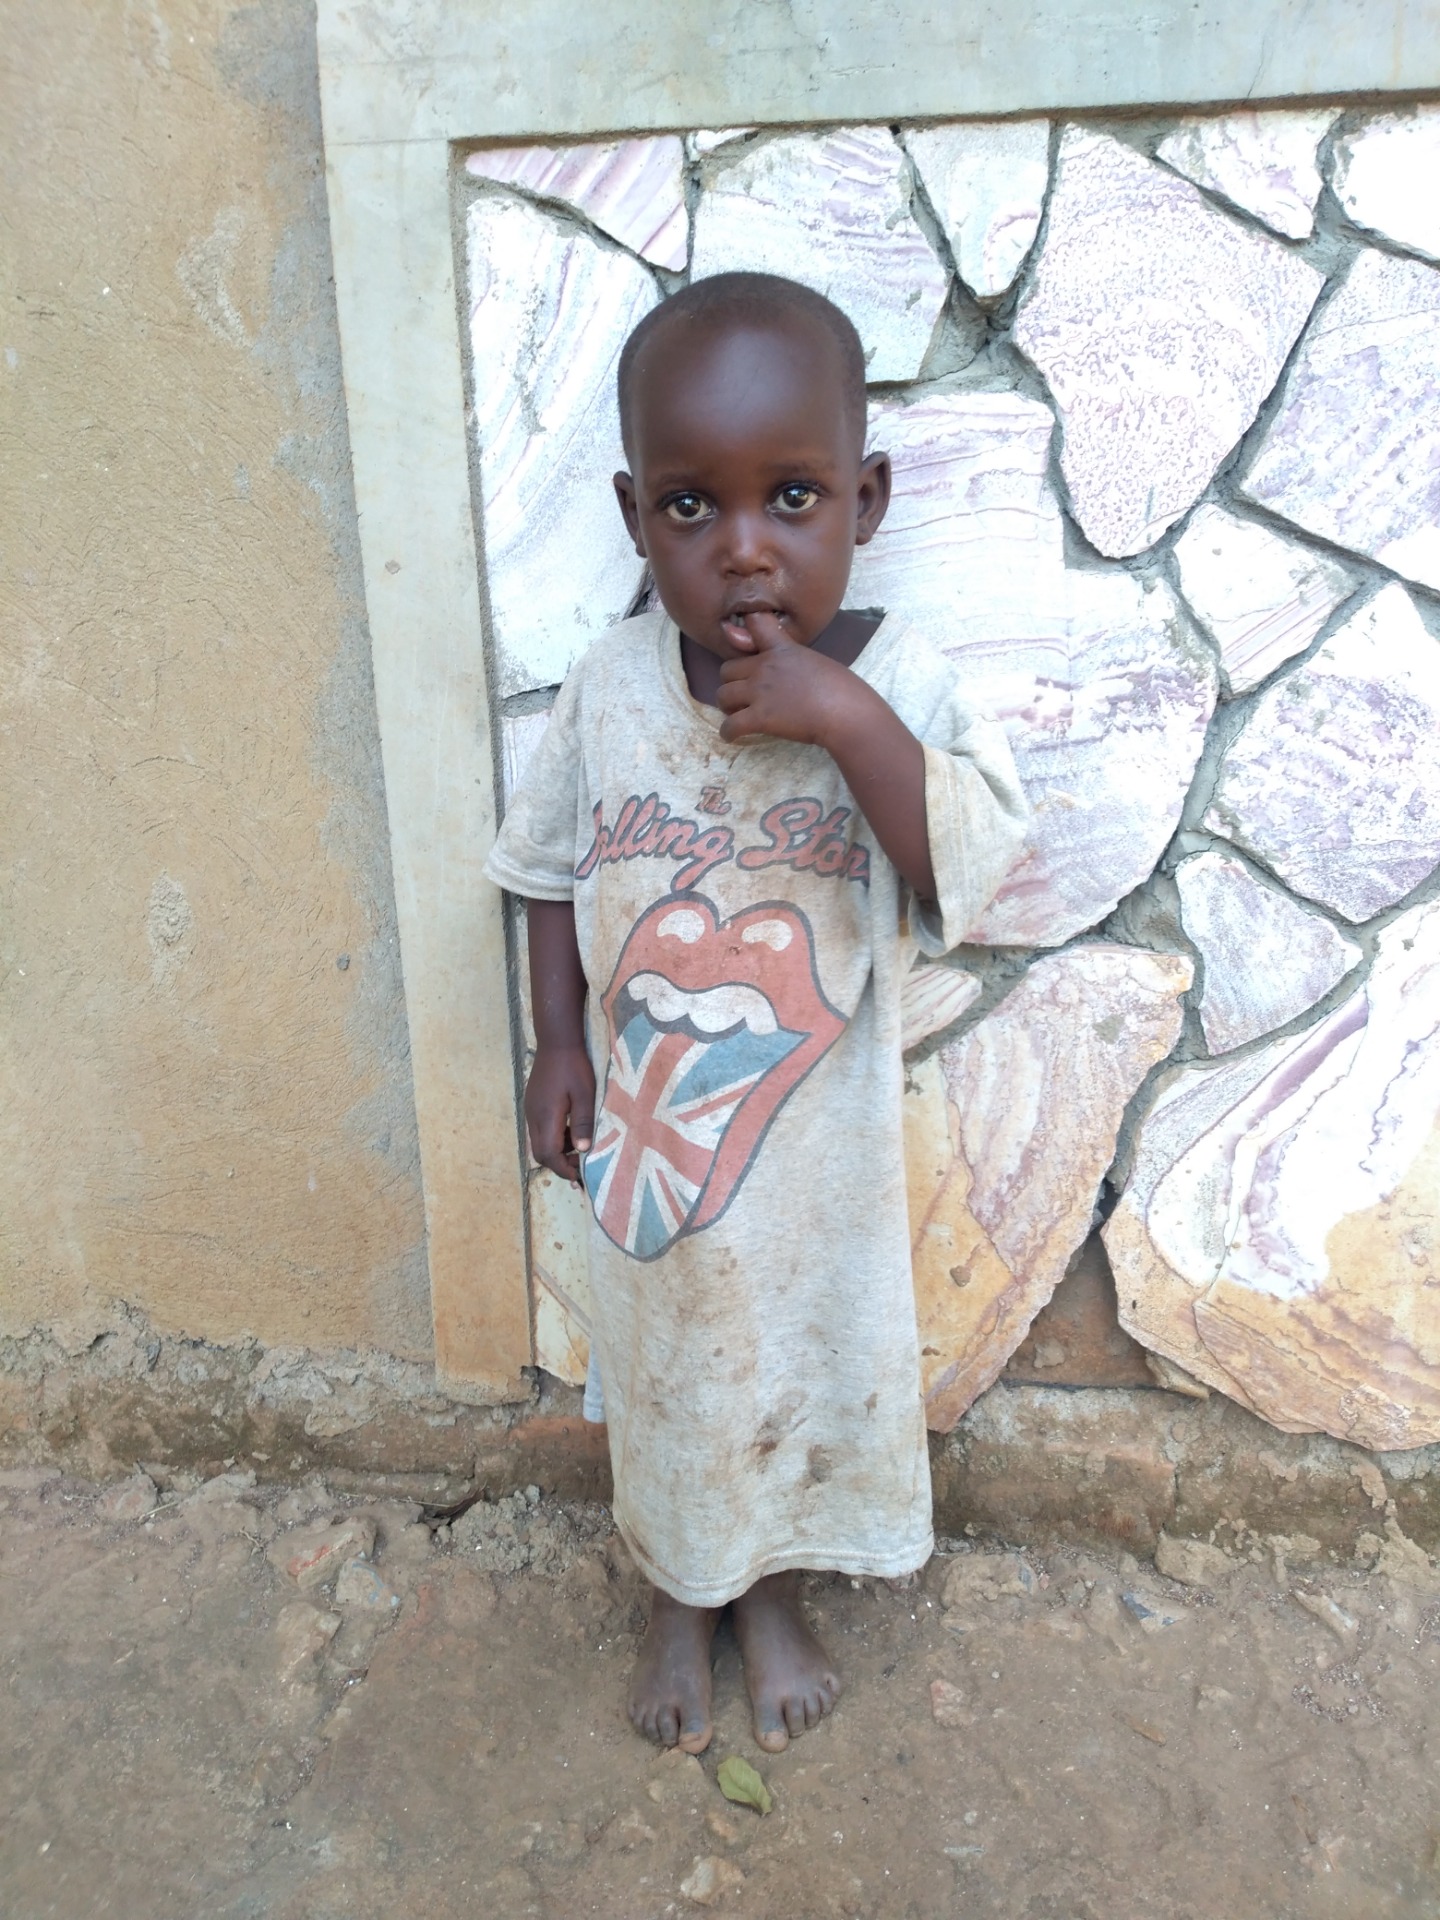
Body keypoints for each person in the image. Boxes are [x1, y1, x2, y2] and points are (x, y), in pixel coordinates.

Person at [484, 271, 1028, 1756]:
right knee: (671, 1373)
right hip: (650, 1155)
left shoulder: (901, 684)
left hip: (815, 1176)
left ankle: (770, 1591)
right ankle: (680, 1597)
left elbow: (963, 868)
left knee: (790, 1372)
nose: (743, 550)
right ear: (633, 516)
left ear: (867, 499)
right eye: (689, 507)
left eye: (792, 498)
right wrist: (555, 1044)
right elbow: (545, 873)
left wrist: (846, 719)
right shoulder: (611, 690)